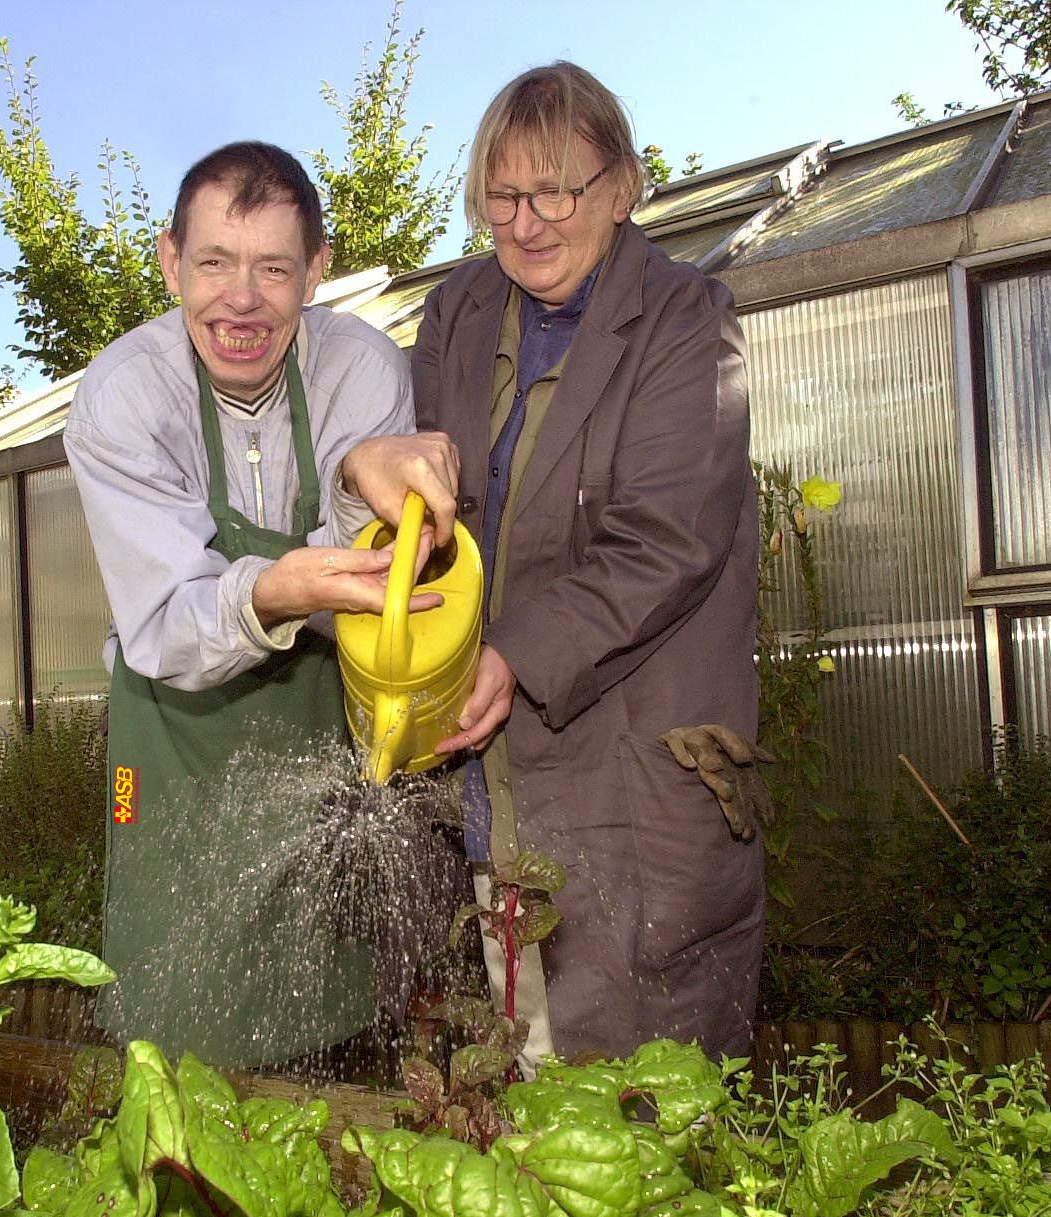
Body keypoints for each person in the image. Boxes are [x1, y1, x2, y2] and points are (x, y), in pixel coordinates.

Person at [396, 62, 764, 1061]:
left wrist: (511, 654)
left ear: (624, 185)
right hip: (498, 767)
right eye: (502, 196)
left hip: (633, 760)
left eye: (556, 190)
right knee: (526, 1048)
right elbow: (434, 508)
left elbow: (666, 540)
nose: (527, 223)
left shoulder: (688, 321)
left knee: (648, 1075)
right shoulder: (460, 315)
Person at [64, 141, 455, 1069]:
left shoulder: (361, 370)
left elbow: (375, 575)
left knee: (331, 998)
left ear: (315, 273)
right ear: (169, 262)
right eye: (214, 264)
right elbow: (166, 623)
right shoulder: (126, 400)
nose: (241, 301)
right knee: (174, 1013)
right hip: (175, 734)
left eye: (274, 269)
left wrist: (365, 477)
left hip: (315, 735)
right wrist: (279, 590)